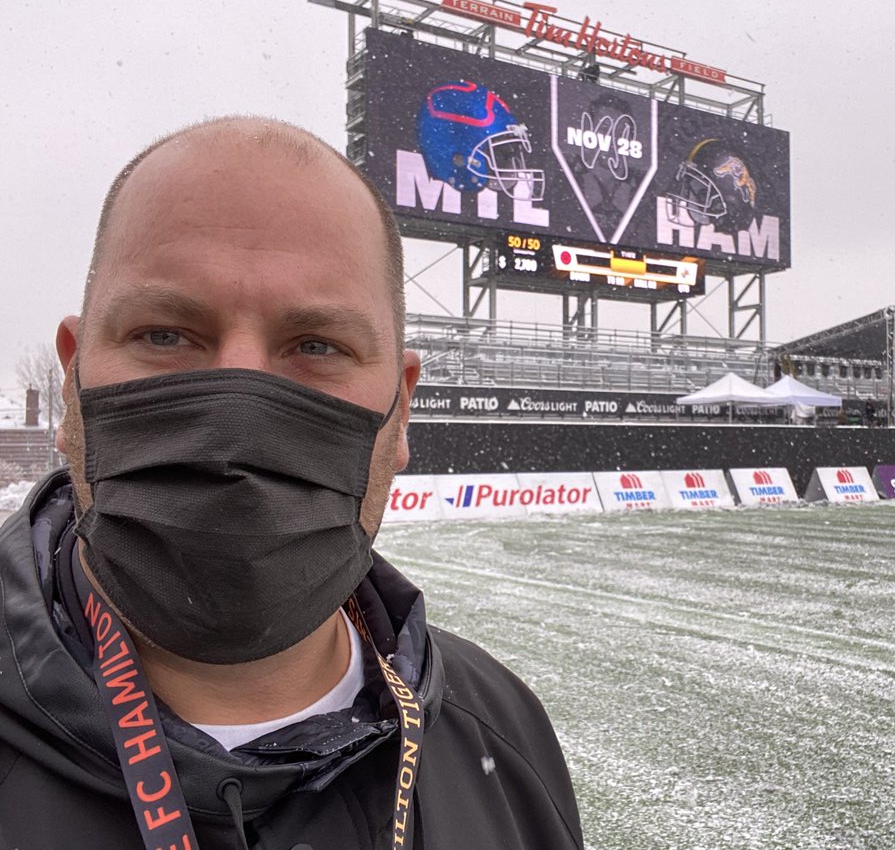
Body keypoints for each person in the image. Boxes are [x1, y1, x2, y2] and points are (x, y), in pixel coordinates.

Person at [0, 117, 583, 849]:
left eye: (316, 345)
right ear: (71, 379)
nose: (238, 408)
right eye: (165, 334)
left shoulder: (504, 730)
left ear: (400, 409)